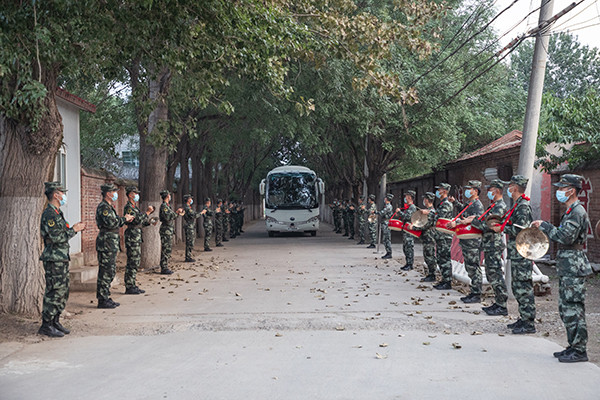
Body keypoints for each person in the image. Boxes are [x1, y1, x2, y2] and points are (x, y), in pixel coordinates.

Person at [533, 174, 592, 363]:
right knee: (565, 307)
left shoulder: (577, 212)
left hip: (574, 266)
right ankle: (572, 345)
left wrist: (546, 226)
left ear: (571, 191)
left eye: (562, 188)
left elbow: (566, 238)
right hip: (568, 266)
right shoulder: (570, 211)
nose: (559, 191)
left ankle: (580, 350)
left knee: (573, 307)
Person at [38, 182, 85, 337]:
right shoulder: (49, 215)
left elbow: (62, 233)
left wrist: (72, 230)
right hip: (53, 259)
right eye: (61, 193)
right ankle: (46, 324)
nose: (64, 195)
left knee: (63, 291)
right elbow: (56, 237)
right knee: (54, 291)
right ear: (55, 195)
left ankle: (55, 320)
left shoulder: (58, 213)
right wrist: (74, 230)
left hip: (61, 258)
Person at [491, 175, 536, 334]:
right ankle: (523, 318)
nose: (508, 189)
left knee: (523, 287)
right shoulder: (517, 205)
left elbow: (521, 230)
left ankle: (529, 323)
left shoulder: (523, 207)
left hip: (522, 253)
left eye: (509, 186)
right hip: (516, 252)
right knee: (518, 287)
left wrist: (501, 229)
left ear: (515, 188)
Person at [471, 179, 508, 316]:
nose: (488, 192)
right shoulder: (493, 206)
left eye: (490, 190)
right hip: (489, 245)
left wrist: (472, 221)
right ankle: (498, 302)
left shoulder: (499, 207)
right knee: (492, 274)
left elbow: (487, 226)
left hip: (494, 244)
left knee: (496, 274)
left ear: (497, 191)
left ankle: (502, 305)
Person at [96, 183, 134, 308]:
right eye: (113, 191)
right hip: (106, 242)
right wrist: (124, 219)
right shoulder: (104, 207)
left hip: (110, 242)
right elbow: (112, 223)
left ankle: (106, 296)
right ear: (108, 193)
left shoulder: (108, 206)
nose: (115, 194)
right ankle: (102, 299)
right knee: (106, 271)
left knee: (110, 270)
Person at [447, 180, 484, 303]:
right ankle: (473, 292)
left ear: (476, 191)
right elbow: (464, 210)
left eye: (470, 189)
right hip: (466, 240)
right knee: (469, 267)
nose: (467, 191)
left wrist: (457, 222)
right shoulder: (470, 204)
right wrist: (455, 202)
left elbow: (475, 218)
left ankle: (477, 294)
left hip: (473, 241)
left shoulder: (477, 205)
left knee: (474, 267)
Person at [123, 186, 155, 294]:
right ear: (130, 194)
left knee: (135, 261)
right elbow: (135, 220)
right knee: (132, 261)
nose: (137, 195)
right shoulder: (129, 208)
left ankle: (132, 284)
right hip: (132, 236)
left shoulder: (134, 207)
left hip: (136, 235)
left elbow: (139, 222)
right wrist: (147, 213)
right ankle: (129, 286)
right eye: (135, 193)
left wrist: (149, 222)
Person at [407, 192, 437, 282]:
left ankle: (432, 275)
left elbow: (425, 225)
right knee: (427, 255)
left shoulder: (431, 212)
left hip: (429, 236)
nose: (423, 200)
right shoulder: (428, 210)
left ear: (427, 200)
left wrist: (413, 227)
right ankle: (430, 274)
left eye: (424, 199)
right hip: (426, 237)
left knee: (430, 255)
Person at [432, 183, 454, 290]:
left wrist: (430, 213)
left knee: (445, 258)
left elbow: (440, 218)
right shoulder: (442, 204)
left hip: (445, 236)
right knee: (440, 258)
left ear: (444, 191)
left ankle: (447, 281)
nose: (438, 192)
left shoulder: (446, 204)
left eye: (439, 190)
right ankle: (444, 279)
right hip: (440, 235)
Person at [159, 190, 184, 275]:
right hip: (165, 230)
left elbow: (171, 216)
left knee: (168, 249)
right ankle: (164, 267)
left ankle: (165, 266)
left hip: (168, 230)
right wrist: (176, 212)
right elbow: (167, 217)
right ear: (167, 196)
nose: (170, 196)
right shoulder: (164, 206)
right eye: (169, 195)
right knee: (165, 249)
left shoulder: (167, 206)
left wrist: (177, 214)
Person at [397, 190, 417, 271]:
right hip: (406, 230)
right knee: (405, 247)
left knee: (409, 247)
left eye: (406, 197)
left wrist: (399, 212)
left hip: (410, 231)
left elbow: (407, 217)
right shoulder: (408, 207)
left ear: (409, 198)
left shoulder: (412, 207)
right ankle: (407, 263)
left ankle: (410, 264)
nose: (405, 198)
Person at [183, 194, 204, 262]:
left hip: (190, 226)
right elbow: (194, 215)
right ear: (188, 200)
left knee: (191, 241)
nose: (191, 200)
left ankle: (189, 256)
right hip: (189, 226)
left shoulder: (188, 207)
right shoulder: (187, 208)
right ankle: (188, 257)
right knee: (189, 242)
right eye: (190, 198)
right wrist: (201, 213)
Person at [378, 194, 394, 259]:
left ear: (387, 199)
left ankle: (389, 253)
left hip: (387, 223)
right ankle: (388, 252)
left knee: (387, 238)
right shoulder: (387, 206)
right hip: (385, 223)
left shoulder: (388, 206)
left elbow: (382, 212)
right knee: (385, 239)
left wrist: (375, 212)